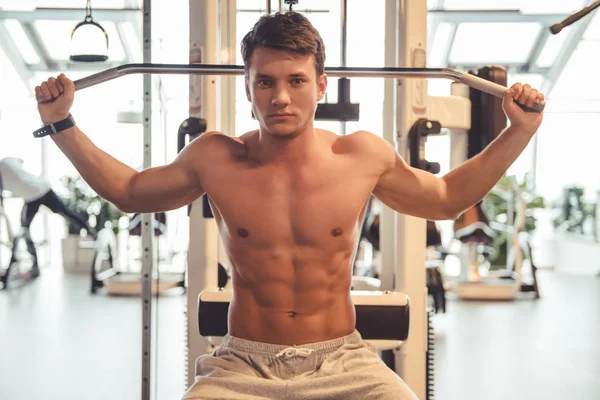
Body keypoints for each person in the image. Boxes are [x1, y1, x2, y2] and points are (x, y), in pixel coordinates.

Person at [34, 11, 544, 400]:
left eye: (296, 81)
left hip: (343, 362)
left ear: (320, 85)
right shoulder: (215, 157)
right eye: (266, 82)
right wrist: (61, 124)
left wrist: (518, 132)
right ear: (248, 88)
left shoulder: (360, 155)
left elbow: (446, 198)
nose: (281, 97)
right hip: (241, 366)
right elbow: (129, 191)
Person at [0, 157, 97, 239]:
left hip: (34, 193)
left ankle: (29, 255)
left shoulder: (4, 164)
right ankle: (89, 229)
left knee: (24, 227)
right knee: (65, 211)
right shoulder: (6, 162)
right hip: (40, 189)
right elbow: (19, 161)